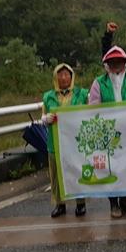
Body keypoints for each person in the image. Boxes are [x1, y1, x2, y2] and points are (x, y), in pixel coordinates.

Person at [89, 46, 126, 218]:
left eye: (119, 61)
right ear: (107, 64)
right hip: (108, 132)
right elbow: (94, 107)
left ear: (125, 63)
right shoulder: (99, 83)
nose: (116, 65)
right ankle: (113, 202)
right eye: (112, 62)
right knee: (110, 168)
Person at [42, 64, 88, 218]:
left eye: (66, 74)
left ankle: (80, 203)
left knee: (77, 171)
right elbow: (43, 116)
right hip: (55, 141)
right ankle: (59, 204)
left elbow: (90, 111)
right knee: (56, 174)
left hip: (76, 141)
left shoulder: (82, 94)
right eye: (60, 75)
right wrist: (46, 119)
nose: (63, 78)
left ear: (72, 76)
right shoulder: (48, 97)